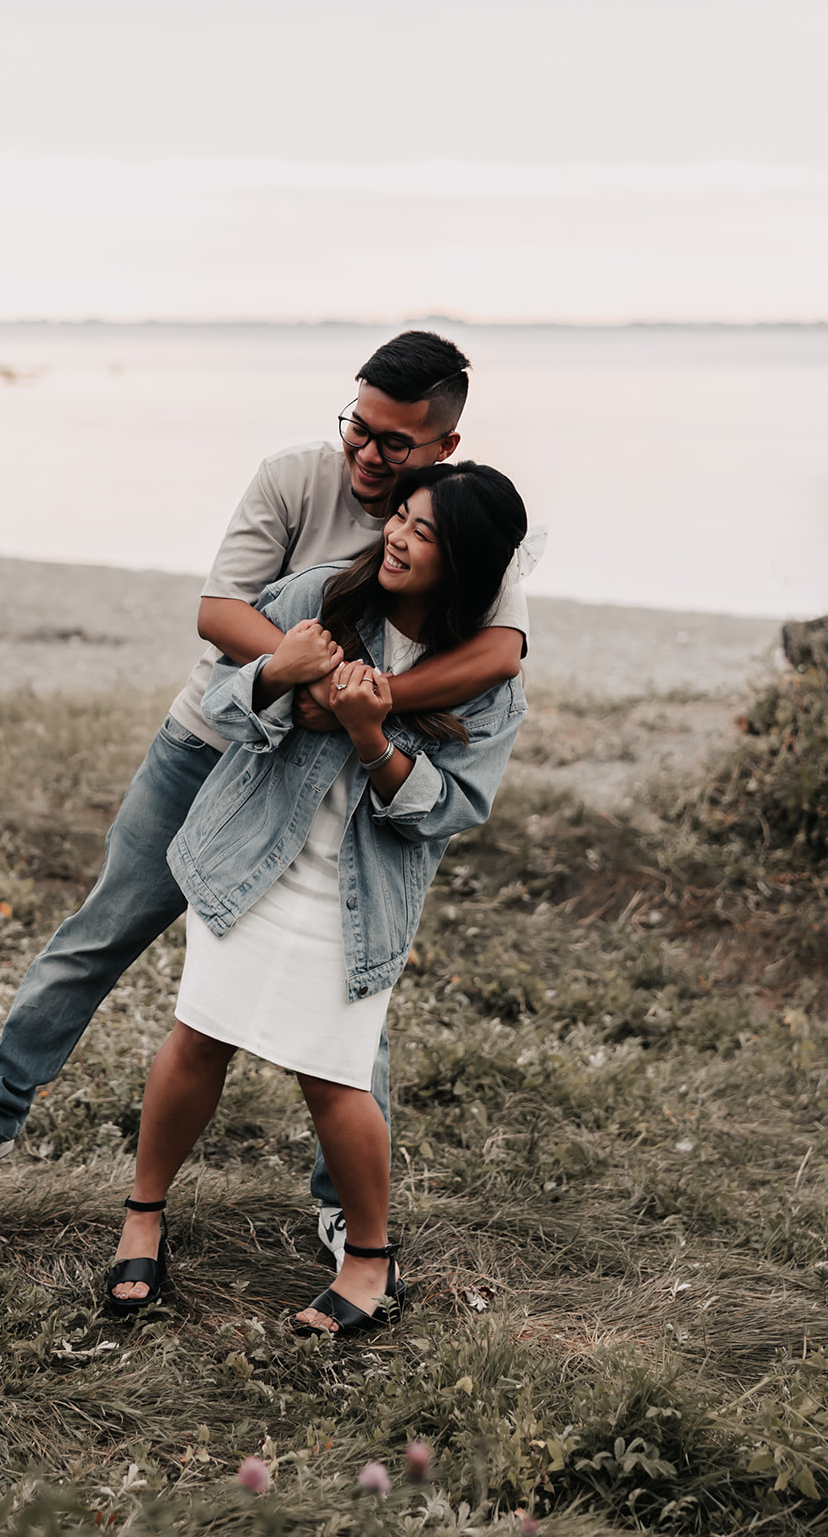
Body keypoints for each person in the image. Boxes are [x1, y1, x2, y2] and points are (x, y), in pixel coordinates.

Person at [0, 331, 530, 1265]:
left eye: (393, 445)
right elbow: (219, 611)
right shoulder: (291, 478)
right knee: (104, 928)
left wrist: (368, 704)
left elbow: (500, 651)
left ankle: (342, 1205)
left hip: (335, 777)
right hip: (212, 744)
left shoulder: (455, 517)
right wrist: (300, 679)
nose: (366, 456)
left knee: (353, 973)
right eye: (356, 428)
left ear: (438, 448)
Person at [104, 462, 528, 1336]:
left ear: (470, 563)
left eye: (427, 532)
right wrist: (272, 673)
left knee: (333, 1077)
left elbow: (451, 810)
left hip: (356, 894)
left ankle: (369, 1265)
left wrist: (374, 737)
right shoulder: (318, 595)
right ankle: (141, 1215)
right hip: (251, 858)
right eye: (400, 518)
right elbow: (222, 712)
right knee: (197, 1041)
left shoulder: (486, 683)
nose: (400, 538)